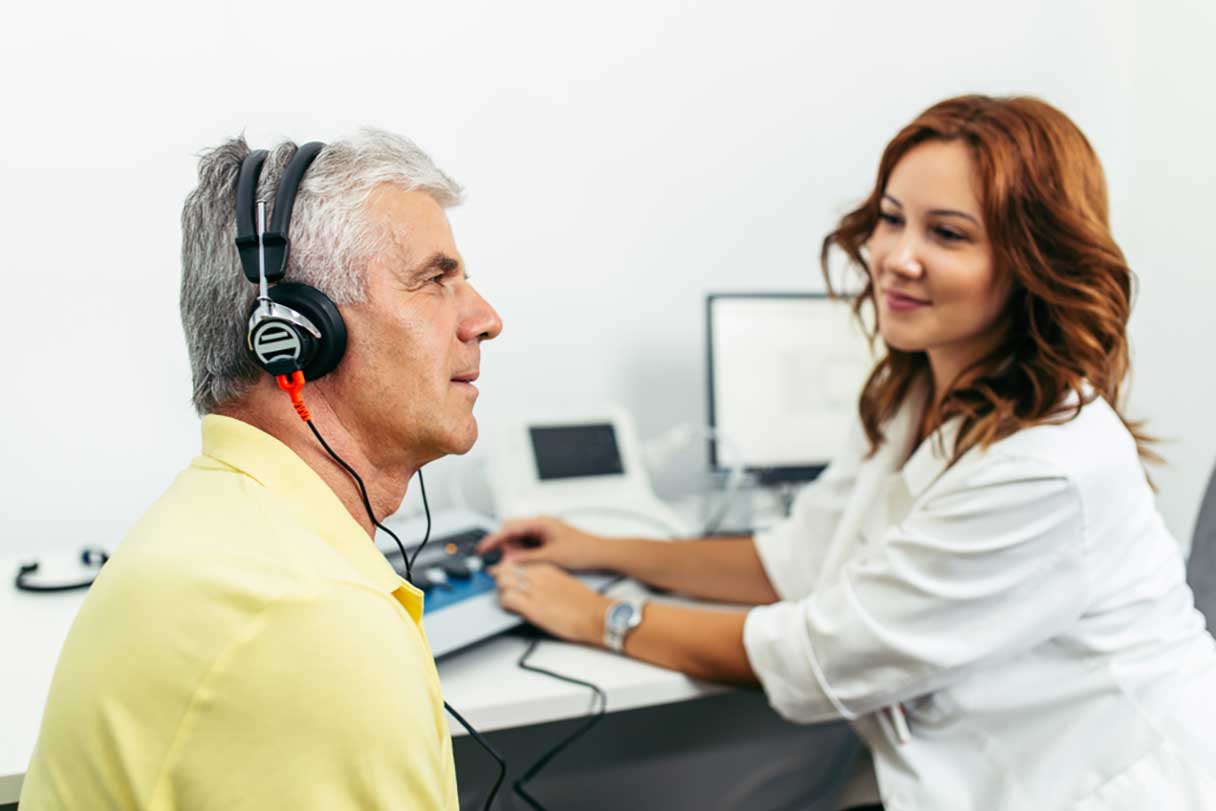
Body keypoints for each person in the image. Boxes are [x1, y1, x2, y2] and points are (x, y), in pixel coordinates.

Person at [479, 96, 1216, 809]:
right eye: (892, 220)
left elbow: (820, 654)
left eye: (948, 234)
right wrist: (601, 546)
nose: (897, 257)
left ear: (1032, 260)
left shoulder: (1051, 465)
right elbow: (798, 556)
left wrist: (597, 616)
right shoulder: (914, 392)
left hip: (1095, 785)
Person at [21, 129, 502, 810]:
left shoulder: (217, 524)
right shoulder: (314, 620)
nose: (486, 318)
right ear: (298, 333)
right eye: (435, 279)